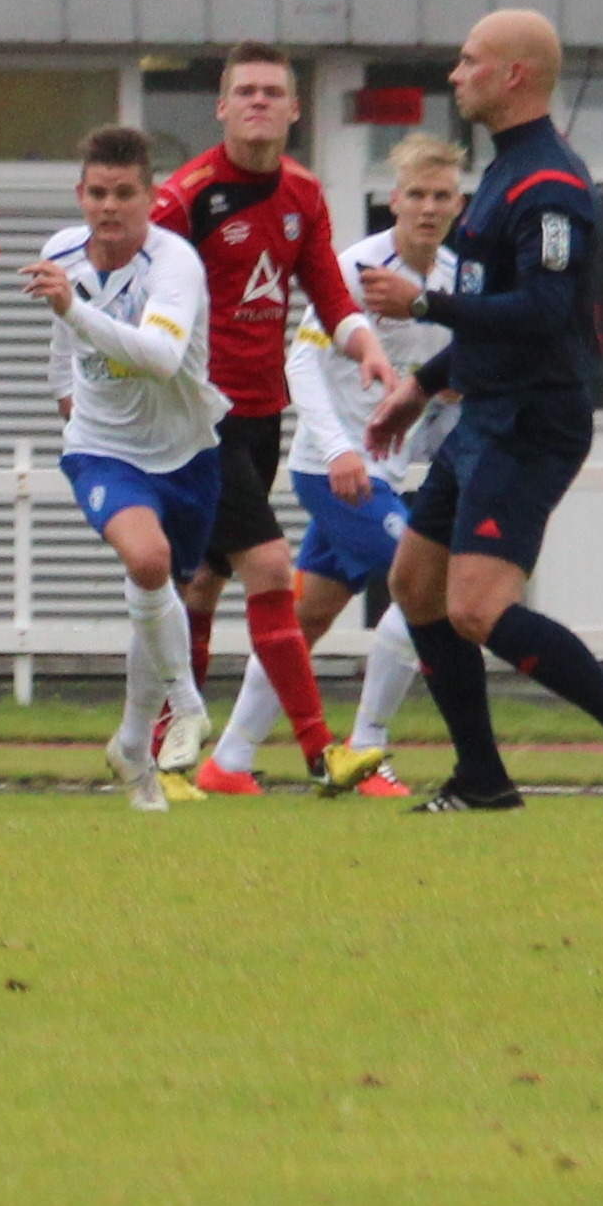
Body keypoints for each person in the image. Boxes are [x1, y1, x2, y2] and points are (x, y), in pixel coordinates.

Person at [359, 11, 603, 813]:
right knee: (414, 584)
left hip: (530, 420)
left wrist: (423, 304)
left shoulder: (547, 184)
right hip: (485, 412)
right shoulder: (503, 172)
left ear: (513, 75)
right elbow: (494, 307)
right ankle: (481, 779)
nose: (454, 74)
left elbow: (543, 312)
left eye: (468, 61)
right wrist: (422, 384)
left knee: (475, 607)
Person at [148, 45, 395, 783]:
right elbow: (141, 296)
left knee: (201, 583)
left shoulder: (304, 194)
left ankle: (165, 754)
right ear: (221, 107)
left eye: (272, 92)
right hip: (199, 416)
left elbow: (329, 293)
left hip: (261, 416)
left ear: (294, 109)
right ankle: (321, 751)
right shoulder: (185, 199)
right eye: (245, 91)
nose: (259, 102)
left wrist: (366, 347)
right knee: (269, 567)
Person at [202, 133, 462, 800]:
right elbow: (301, 362)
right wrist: (338, 449)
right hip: (331, 471)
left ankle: (228, 761)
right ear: (393, 200)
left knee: (306, 619)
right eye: (416, 195)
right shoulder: (356, 267)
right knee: (425, 589)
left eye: (442, 196)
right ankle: (367, 748)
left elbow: (444, 386)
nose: (428, 208)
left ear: (457, 205)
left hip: (385, 474)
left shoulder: (458, 281)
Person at [32, 130, 224, 811]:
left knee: (162, 592)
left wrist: (73, 310)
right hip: (103, 452)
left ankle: (133, 747)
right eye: (96, 193)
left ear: (150, 197)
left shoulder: (174, 264)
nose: (108, 207)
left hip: (187, 452)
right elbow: (63, 354)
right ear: (79, 195)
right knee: (147, 560)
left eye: (123, 194)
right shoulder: (62, 253)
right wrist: (77, 422)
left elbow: (161, 359)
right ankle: (188, 705)